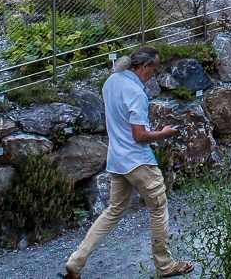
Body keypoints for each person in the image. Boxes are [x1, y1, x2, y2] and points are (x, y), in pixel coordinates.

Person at [62, 47, 192, 278]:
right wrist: (164, 133)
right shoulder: (136, 93)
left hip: (116, 160)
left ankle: (76, 260)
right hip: (138, 161)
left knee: (113, 210)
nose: (155, 72)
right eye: (154, 67)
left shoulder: (110, 83)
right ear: (144, 67)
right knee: (158, 208)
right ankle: (165, 265)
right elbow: (140, 135)